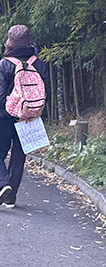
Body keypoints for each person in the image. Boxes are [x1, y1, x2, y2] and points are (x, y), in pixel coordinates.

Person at [0, 24, 50, 209]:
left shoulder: (5, 64)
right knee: (19, 156)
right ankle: (11, 198)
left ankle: (3, 184)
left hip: (5, 117)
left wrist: (7, 113)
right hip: (29, 117)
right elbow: (47, 92)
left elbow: (0, 94)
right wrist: (36, 112)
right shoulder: (38, 62)